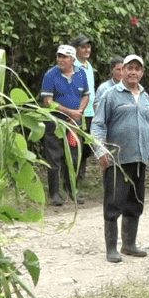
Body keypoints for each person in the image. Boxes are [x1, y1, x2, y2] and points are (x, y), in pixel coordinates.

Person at [91, 54, 149, 263]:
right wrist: (100, 150)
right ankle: (112, 249)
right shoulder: (111, 95)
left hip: (139, 160)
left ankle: (129, 244)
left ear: (142, 73)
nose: (133, 72)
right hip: (116, 160)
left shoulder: (147, 98)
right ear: (122, 70)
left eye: (137, 69)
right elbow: (98, 124)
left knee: (135, 203)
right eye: (129, 68)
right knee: (113, 203)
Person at [40, 44, 90, 206]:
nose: (60, 59)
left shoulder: (81, 73)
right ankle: (54, 193)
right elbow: (48, 102)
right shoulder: (51, 75)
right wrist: (70, 112)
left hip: (75, 124)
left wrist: (79, 112)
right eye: (59, 56)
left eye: (64, 57)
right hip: (56, 123)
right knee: (54, 157)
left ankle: (72, 190)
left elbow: (86, 96)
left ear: (73, 59)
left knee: (74, 157)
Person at [74, 35, 97, 191]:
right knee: (77, 145)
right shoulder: (73, 66)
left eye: (88, 47)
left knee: (88, 146)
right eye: (83, 47)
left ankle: (81, 174)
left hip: (91, 113)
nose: (87, 49)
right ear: (76, 49)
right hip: (78, 111)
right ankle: (73, 176)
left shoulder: (89, 66)